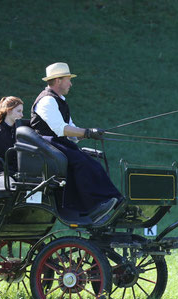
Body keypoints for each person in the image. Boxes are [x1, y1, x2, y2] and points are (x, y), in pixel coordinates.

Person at [30, 62, 122, 221]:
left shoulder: (59, 100)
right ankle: (93, 206)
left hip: (58, 143)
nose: (70, 83)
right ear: (58, 81)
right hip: (46, 144)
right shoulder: (47, 101)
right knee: (81, 162)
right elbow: (61, 129)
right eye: (68, 79)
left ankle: (112, 200)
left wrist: (89, 133)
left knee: (92, 163)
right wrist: (86, 132)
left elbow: (72, 131)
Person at [0, 96, 24, 187]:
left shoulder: (20, 132)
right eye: (18, 111)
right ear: (9, 111)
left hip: (17, 175)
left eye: (22, 111)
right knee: (12, 186)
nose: (22, 115)